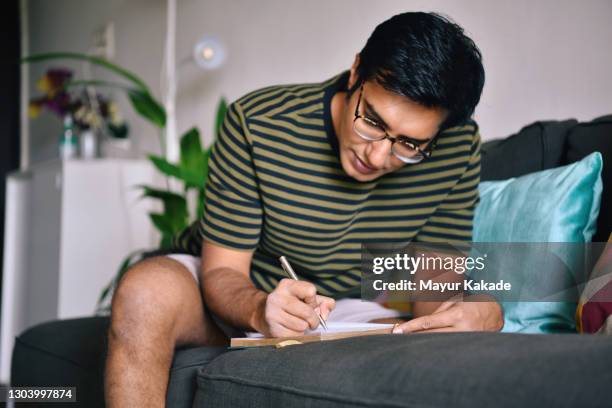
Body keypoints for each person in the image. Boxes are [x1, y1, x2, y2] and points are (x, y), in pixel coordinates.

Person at [105, 11, 502, 406]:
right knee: (145, 293)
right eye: (372, 120)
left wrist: (468, 312)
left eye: (410, 145)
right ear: (355, 72)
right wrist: (262, 309)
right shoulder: (259, 123)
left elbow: (433, 288)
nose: (379, 155)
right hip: (242, 289)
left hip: (350, 306)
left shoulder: (456, 148)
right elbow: (223, 272)